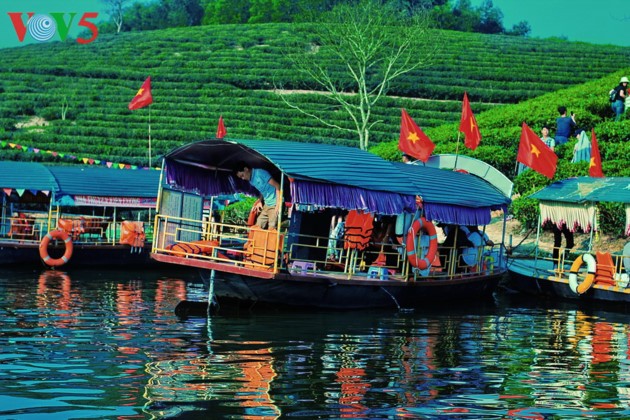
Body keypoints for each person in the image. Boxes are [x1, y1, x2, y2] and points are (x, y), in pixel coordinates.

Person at [234, 162, 281, 230]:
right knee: (257, 227)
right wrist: (259, 200)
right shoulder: (251, 181)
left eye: (242, 175)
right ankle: (254, 240)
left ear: (246, 169)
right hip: (267, 204)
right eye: (241, 177)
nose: (243, 178)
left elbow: (277, 186)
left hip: (275, 203)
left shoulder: (260, 173)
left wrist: (278, 205)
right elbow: (262, 190)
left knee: (272, 228)